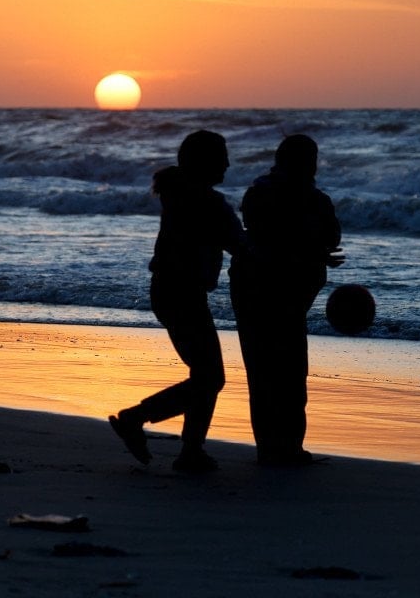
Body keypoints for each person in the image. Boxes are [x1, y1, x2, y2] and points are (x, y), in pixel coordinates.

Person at [109, 130, 243, 473]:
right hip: (183, 294)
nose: (228, 164)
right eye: (222, 158)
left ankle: (190, 449)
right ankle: (138, 420)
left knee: (205, 375)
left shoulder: (179, 194)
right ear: (205, 163)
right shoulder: (206, 203)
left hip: (168, 291)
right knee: (210, 377)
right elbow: (240, 245)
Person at [230, 134, 343, 466]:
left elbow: (263, 236)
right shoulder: (310, 199)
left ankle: (271, 448)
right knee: (289, 370)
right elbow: (326, 237)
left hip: (254, 288)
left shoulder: (258, 193)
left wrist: (312, 250)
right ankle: (289, 447)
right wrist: (312, 251)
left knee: (263, 370)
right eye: (310, 160)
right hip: (275, 291)